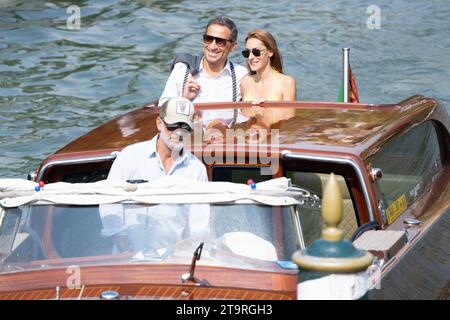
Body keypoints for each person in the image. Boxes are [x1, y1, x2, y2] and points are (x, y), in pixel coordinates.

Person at [101, 97, 209, 254]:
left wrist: (184, 251)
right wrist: (125, 248)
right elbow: (109, 205)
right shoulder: (129, 156)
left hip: (171, 260)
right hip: (126, 257)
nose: (179, 132)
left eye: (185, 127)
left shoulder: (197, 170)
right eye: (173, 126)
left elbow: (199, 226)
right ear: (159, 123)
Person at [158, 16, 248, 126]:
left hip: (225, 139)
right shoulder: (182, 70)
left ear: (233, 46)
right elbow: (162, 111)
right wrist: (184, 100)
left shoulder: (242, 75)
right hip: (187, 138)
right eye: (208, 39)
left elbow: (249, 115)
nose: (213, 46)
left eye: (220, 42)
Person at [240, 29, 296, 128]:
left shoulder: (287, 82)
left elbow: (288, 121)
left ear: (270, 52)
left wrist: (264, 112)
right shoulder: (245, 82)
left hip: (275, 139)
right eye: (247, 53)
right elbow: (245, 121)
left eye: (256, 52)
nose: (250, 57)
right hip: (251, 138)